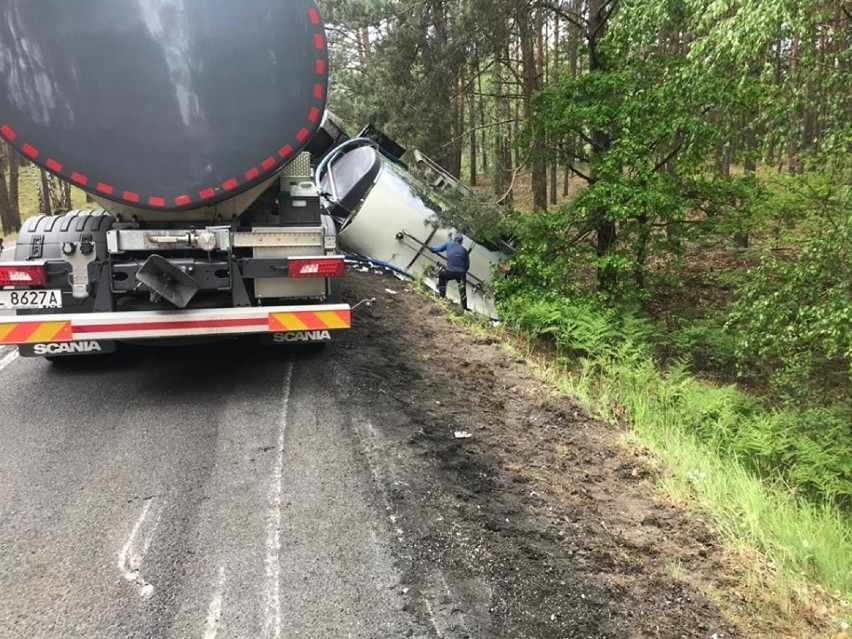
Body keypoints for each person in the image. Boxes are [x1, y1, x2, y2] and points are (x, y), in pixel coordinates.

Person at [429, 234, 470, 311]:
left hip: (450, 272)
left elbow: (436, 249)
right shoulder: (464, 250)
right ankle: (464, 307)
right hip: (461, 273)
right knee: (462, 290)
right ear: (461, 242)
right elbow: (467, 266)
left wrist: (431, 249)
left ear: (454, 240)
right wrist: (462, 271)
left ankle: (442, 296)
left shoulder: (448, 244)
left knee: (442, 275)